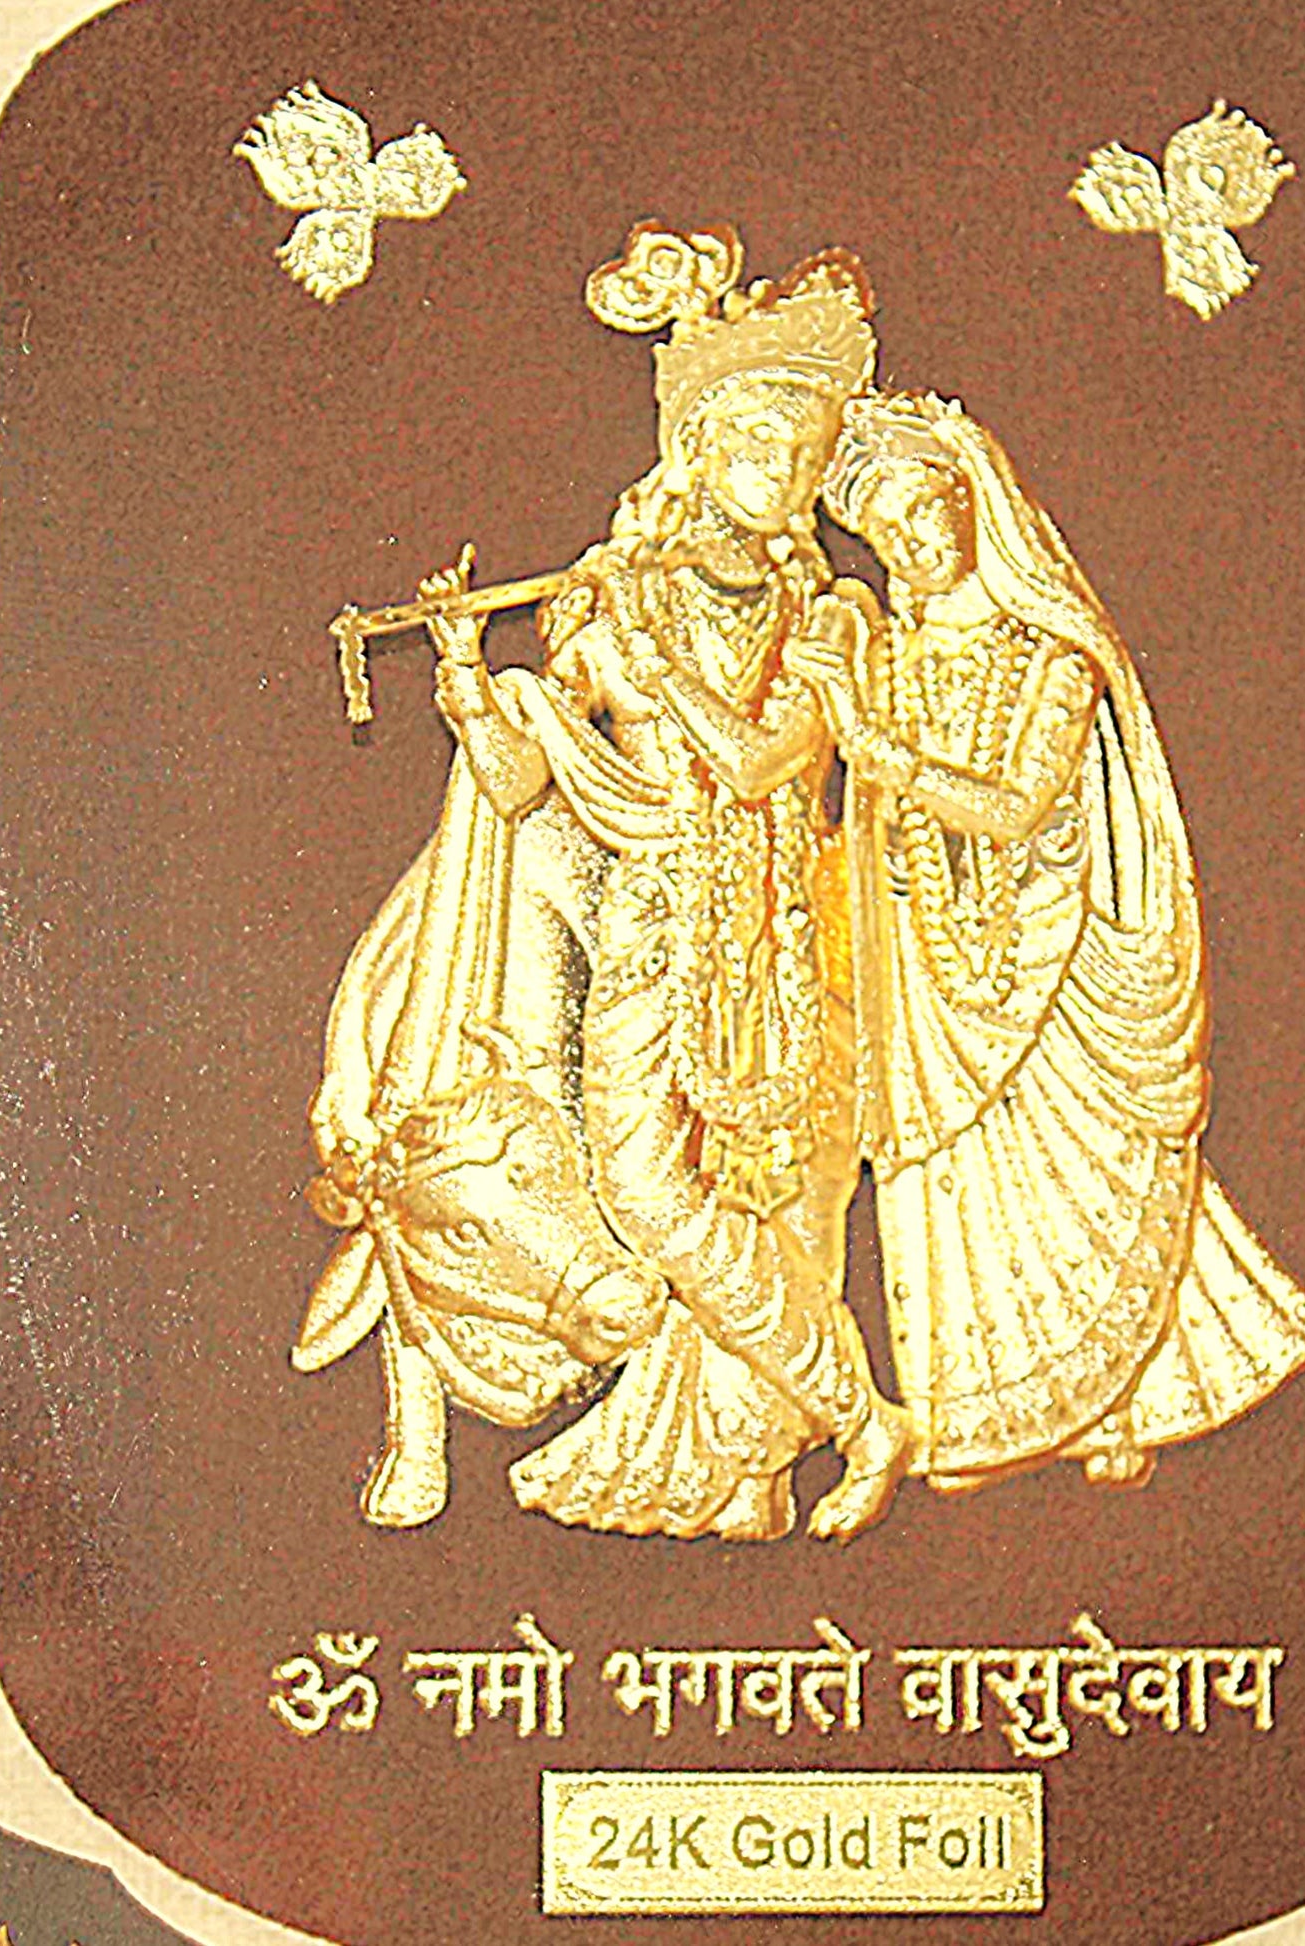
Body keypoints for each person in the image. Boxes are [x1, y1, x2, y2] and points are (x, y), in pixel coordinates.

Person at [334, 227, 913, 1542]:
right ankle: (857, 1412)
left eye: (806, 453)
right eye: (758, 445)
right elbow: (516, 781)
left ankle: (783, 1451)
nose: (786, 474)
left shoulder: (831, 619)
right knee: (645, 1192)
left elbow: (762, 760)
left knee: (776, 1205)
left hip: (779, 946)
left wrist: (659, 672)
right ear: (698, 454)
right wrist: (470, 678)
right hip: (648, 940)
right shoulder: (614, 612)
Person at [792, 389, 1305, 1492]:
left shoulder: (1054, 658)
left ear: (974, 507)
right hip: (925, 970)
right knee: (954, 1176)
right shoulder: (886, 655)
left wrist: (875, 749)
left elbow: (1016, 809)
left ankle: (1129, 1393)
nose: (910, 543)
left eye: (924, 513)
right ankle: (974, 1420)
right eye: (886, 531)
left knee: (1079, 1171)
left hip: (1048, 959)